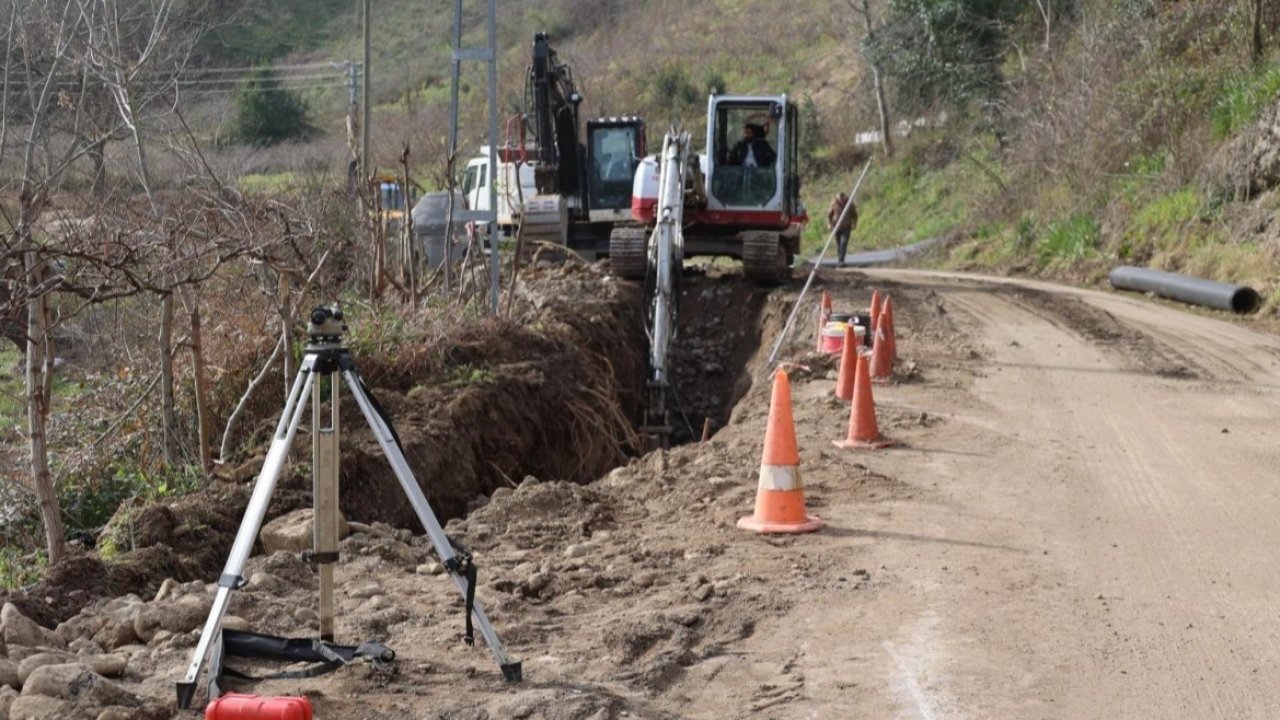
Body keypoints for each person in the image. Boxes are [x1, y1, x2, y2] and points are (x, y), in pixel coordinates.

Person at [827, 191, 858, 267]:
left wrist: (854, 224)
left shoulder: (850, 204)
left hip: (846, 227)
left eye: (842, 197)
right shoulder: (834, 203)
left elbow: (855, 215)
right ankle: (840, 260)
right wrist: (829, 223)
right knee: (839, 245)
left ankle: (841, 261)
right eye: (839, 197)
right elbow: (830, 215)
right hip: (836, 227)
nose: (840, 199)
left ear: (844, 197)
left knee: (843, 244)